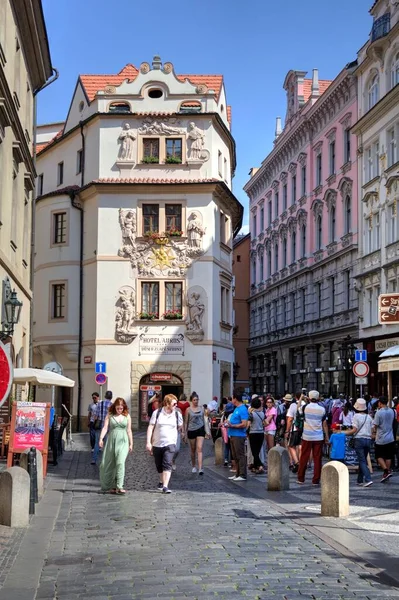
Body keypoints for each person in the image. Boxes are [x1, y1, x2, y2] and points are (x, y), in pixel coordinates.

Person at [146, 394, 183, 494]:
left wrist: (179, 434)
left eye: (177, 403)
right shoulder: (157, 413)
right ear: (167, 403)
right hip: (157, 443)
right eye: (174, 403)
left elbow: (180, 426)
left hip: (170, 443)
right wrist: (148, 442)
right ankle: (161, 481)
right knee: (159, 465)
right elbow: (150, 427)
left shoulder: (177, 414)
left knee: (167, 463)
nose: (176, 405)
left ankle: (165, 486)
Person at [99, 398, 133, 494]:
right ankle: (112, 486)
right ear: (115, 407)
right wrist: (101, 438)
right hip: (111, 441)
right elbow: (105, 428)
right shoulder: (110, 415)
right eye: (118, 408)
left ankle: (120, 486)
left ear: (124, 407)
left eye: (121, 408)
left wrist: (131, 443)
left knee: (120, 462)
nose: (119, 410)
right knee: (110, 463)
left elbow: (129, 430)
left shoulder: (127, 416)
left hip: (123, 441)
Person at [297, 390, 330, 485]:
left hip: (307, 436)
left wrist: (301, 398)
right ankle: (316, 479)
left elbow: (298, 409)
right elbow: (325, 425)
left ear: (309, 398)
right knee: (317, 458)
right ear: (318, 398)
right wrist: (327, 437)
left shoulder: (305, 407)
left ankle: (301, 478)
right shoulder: (322, 409)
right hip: (318, 436)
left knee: (304, 457)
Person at [342, 398, 373, 487]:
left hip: (359, 440)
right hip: (368, 440)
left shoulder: (356, 416)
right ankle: (359, 479)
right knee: (362, 460)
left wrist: (344, 432)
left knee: (362, 460)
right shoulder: (369, 417)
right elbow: (372, 430)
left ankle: (368, 479)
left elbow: (354, 430)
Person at [183, 392, 210, 475]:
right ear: (191, 401)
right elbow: (186, 422)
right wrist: (185, 433)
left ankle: (200, 468)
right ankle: (194, 466)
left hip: (200, 429)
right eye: (194, 400)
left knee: (200, 448)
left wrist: (207, 431)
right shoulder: (188, 410)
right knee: (193, 449)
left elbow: (204, 420)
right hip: (191, 430)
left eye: (197, 400)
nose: (196, 401)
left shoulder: (201, 409)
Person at [225, 393, 249, 481]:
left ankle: (242, 474)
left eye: (232, 399)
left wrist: (232, 426)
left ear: (235, 399)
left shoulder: (242, 409)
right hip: (233, 434)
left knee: (240, 455)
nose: (232, 401)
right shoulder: (236, 409)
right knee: (235, 455)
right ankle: (238, 473)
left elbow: (244, 424)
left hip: (239, 435)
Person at [373, 396, 395, 482]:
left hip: (381, 437)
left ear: (380, 403)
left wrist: (374, 432)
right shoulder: (392, 411)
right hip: (390, 437)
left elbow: (375, 425)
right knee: (388, 456)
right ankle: (386, 473)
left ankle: (386, 470)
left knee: (378, 455)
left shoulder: (379, 413)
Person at [285, 391, 305, 473]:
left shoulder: (293, 405)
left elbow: (290, 419)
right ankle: (302, 463)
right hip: (305, 429)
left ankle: (297, 463)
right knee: (301, 446)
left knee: (291, 446)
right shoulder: (306, 405)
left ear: (295, 397)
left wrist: (287, 430)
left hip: (295, 429)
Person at [92, 391, 113, 465]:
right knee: (107, 444)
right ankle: (105, 461)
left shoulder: (100, 403)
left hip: (99, 425)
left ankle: (94, 459)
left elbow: (95, 415)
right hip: (108, 427)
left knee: (97, 443)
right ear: (111, 397)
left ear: (105, 396)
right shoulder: (112, 405)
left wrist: (93, 423)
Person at [248, 397, 265, 474]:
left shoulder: (251, 414)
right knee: (257, 451)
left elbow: (248, 424)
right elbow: (265, 423)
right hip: (261, 433)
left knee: (254, 452)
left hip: (253, 433)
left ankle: (260, 465)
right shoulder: (262, 413)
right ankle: (255, 467)